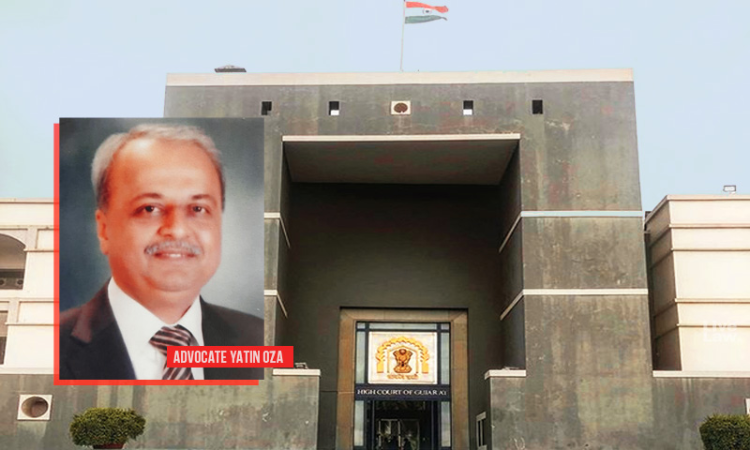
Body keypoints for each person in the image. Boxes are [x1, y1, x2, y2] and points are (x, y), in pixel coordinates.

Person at [59, 124, 263, 380]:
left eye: (198, 209)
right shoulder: (46, 345)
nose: (177, 230)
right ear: (104, 230)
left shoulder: (261, 341)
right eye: (149, 208)